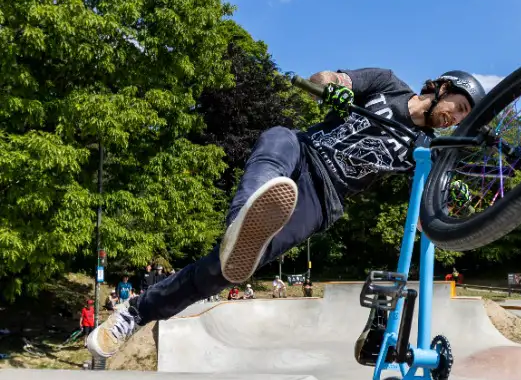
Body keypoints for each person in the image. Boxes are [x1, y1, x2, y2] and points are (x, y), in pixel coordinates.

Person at [87, 68, 484, 359]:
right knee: (277, 135)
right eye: (458, 106)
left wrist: (454, 187)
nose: (455, 118)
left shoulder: (425, 145)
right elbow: (328, 78)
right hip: (302, 151)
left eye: (463, 117)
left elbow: (433, 185)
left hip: (322, 200)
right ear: (443, 87)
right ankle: (241, 222)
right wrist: (332, 90)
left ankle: (138, 312)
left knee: (226, 271)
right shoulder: (386, 84)